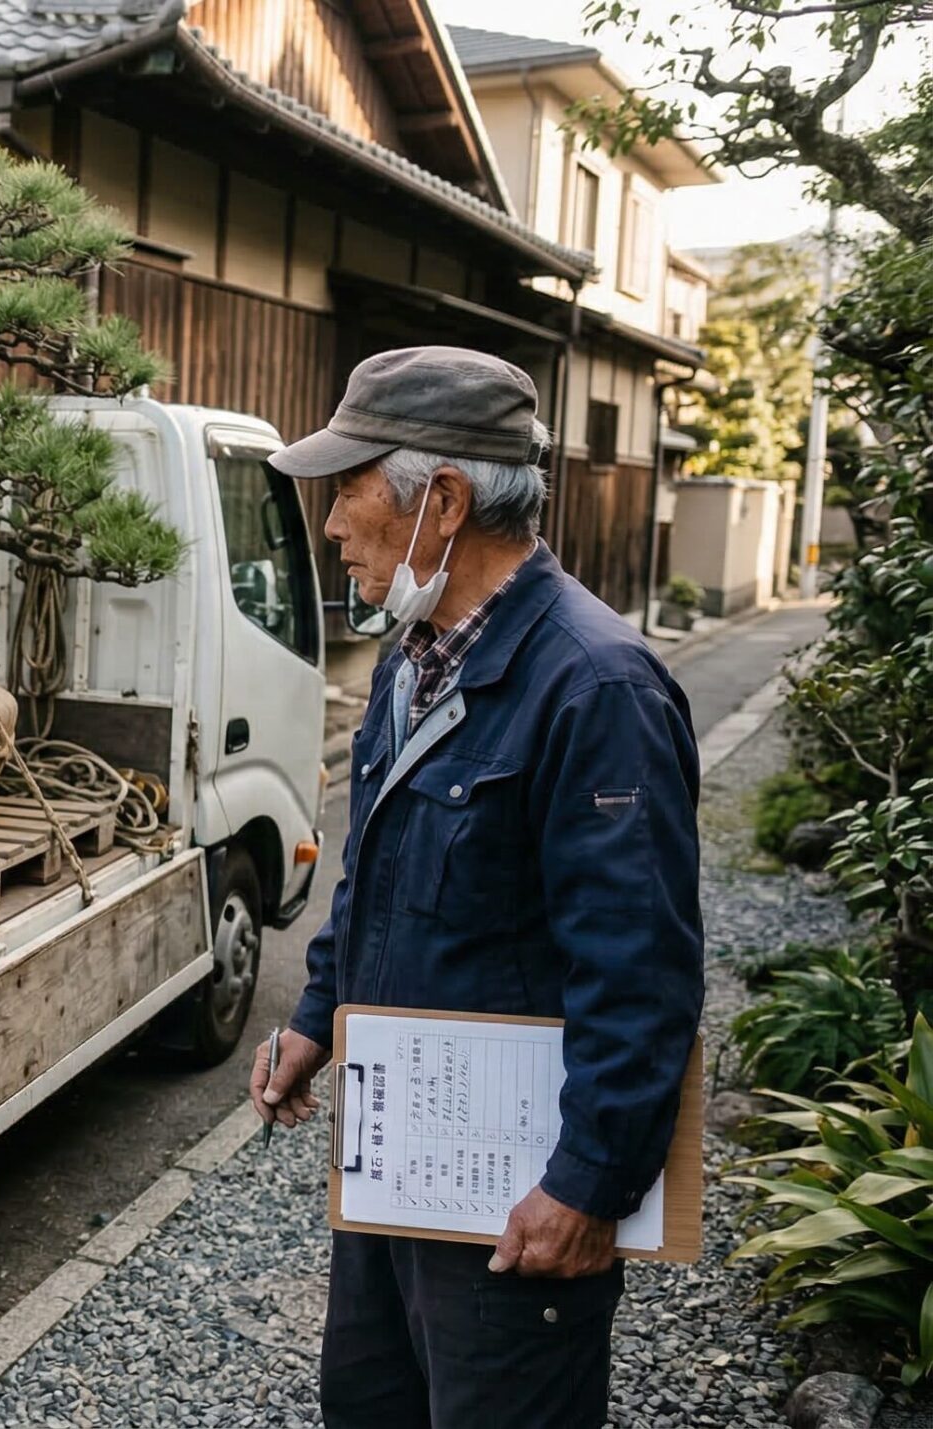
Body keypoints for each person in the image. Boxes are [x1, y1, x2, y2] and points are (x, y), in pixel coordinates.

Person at [247, 347, 703, 1428]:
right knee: (367, 1399)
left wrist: (588, 1184)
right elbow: (370, 873)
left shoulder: (595, 686)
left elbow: (638, 969)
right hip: (403, 1154)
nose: (331, 525)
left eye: (349, 489)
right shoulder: (415, 656)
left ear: (440, 501)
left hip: (513, 1192)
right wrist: (317, 1019)